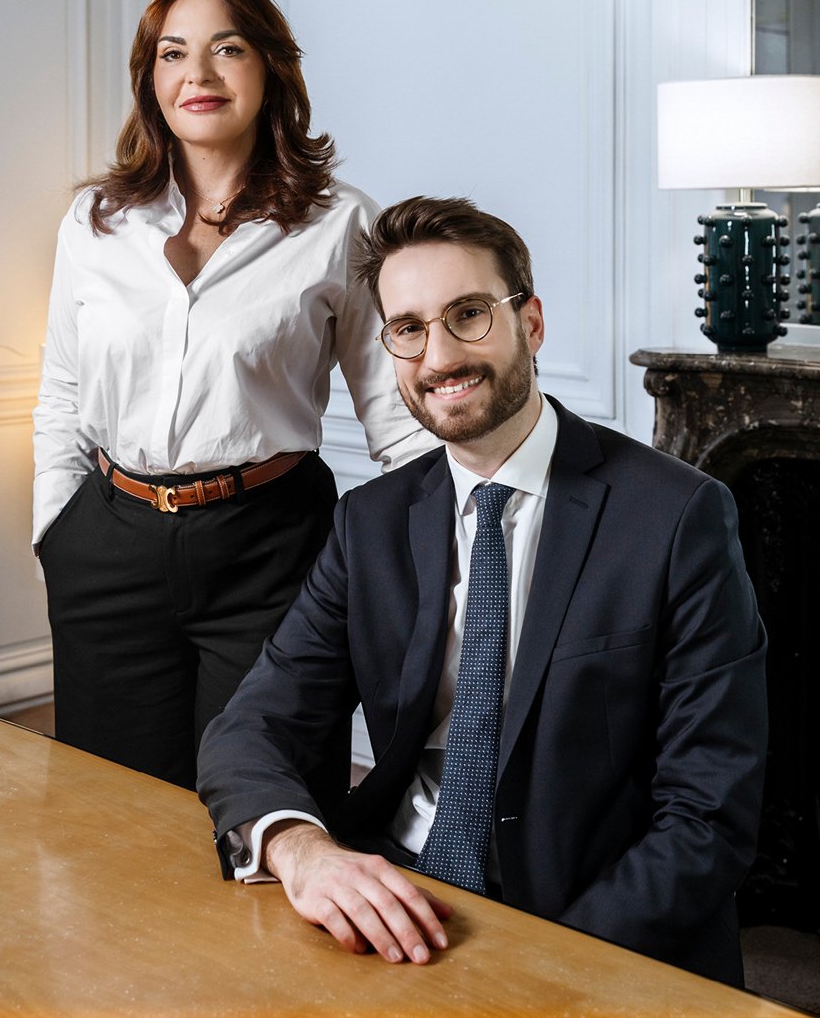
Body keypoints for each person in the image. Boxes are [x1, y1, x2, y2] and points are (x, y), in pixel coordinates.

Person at [197, 195, 768, 985]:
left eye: (468, 314)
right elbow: (250, 727)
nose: (438, 358)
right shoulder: (371, 522)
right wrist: (306, 853)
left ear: (531, 323)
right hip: (402, 893)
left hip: (590, 921)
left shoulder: (676, 517)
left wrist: (543, 966)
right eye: (408, 329)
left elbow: (708, 817)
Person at [32, 0, 430, 791]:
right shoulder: (97, 221)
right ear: (150, 79)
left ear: (272, 70)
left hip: (271, 547)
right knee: (112, 812)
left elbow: (396, 420)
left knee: (268, 797)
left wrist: (414, 576)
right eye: (173, 53)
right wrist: (56, 532)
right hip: (108, 542)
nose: (198, 76)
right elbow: (63, 392)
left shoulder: (339, 223)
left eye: (227, 49)